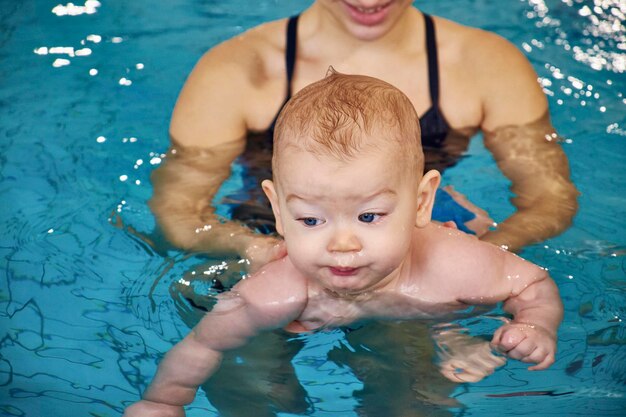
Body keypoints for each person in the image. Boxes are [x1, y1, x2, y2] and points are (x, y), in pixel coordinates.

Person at [125, 72, 563, 417]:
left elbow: (533, 285)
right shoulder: (281, 289)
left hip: (435, 263)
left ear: (421, 202)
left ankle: (449, 322)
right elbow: (205, 345)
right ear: (279, 212)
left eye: (369, 217)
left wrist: (536, 325)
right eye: (310, 220)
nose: (342, 243)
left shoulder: (457, 265)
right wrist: (164, 402)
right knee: (246, 373)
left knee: (422, 393)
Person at [149, 0, 578, 271]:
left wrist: (477, 251)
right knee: (243, 365)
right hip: (267, 239)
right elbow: (178, 210)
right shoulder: (236, 70)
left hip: (410, 249)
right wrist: (253, 248)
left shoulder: (486, 64)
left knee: (412, 382)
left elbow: (549, 199)